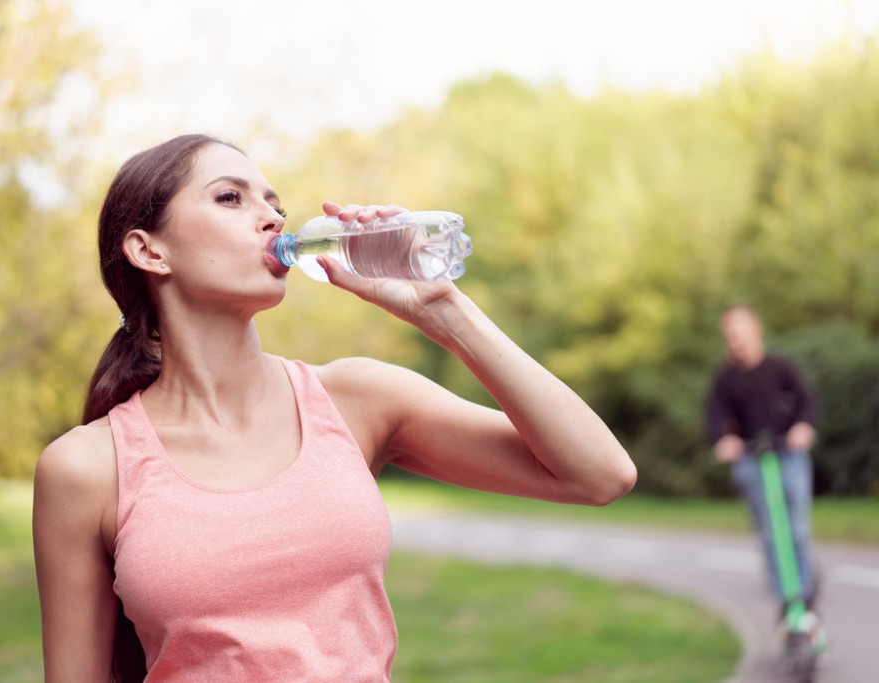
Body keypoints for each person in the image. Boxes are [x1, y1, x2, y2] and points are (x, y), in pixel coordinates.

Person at [32, 133, 637, 682]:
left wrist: (444, 311)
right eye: (230, 199)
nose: (271, 217)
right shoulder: (87, 468)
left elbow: (598, 475)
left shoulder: (357, 399)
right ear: (149, 251)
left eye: (275, 204)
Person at [705, 303, 820, 615]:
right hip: (751, 458)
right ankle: (784, 595)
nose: (736, 339)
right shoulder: (725, 379)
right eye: (730, 334)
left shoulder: (780, 368)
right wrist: (724, 440)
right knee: (770, 533)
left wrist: (802, 427)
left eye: (740, 331)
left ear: (756, 329)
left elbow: (807, 402)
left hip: (788, 455)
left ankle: (805, 593)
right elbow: (716, 417)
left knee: (795, 529)